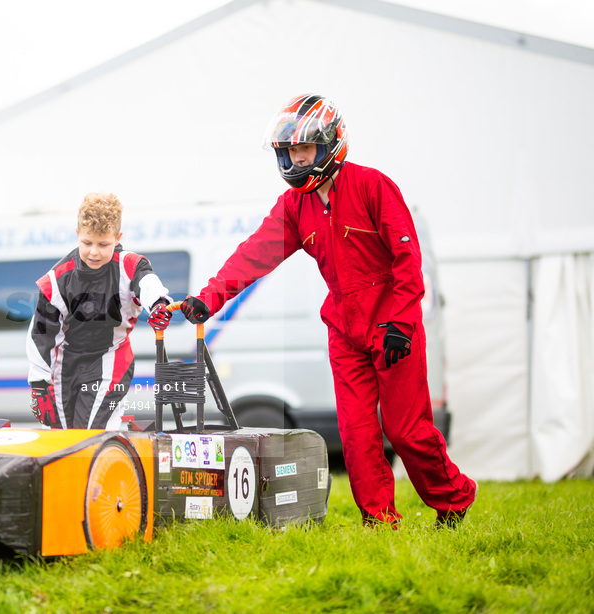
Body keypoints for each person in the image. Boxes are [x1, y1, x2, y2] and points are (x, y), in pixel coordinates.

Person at [181, 94, 477, 528]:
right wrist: (210, 298)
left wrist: (399, 320)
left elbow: (408, 262)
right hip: (343, 327)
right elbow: (252, 256)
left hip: (393, 324)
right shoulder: (293, 207)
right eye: (289, 151)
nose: (296, 159)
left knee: (405, 430)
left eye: (305, 149)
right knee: (357, 434)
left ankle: (453, 499)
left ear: (330, 144)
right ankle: (379, 522)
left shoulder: (374, 186)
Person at [27, 192, 173, 430]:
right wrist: (38, 385)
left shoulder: (129, 265)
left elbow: (147, 281)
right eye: (87, 243)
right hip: (66, 362)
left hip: (111, 357)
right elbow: (41, 333)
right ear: (77, 236)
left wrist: (158, 304)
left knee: (92, 431)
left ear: (117, 238)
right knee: (63, 435)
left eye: (103, 244)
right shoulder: (57, 279)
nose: (94, 252)